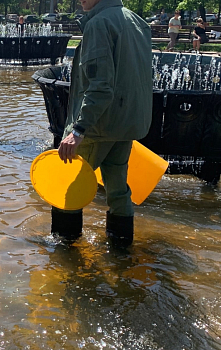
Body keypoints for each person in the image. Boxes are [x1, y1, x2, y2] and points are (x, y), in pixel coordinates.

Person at [53, 0, 152, 246]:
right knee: (118, 191)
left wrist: (78, 130)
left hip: (97, 126)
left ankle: (65, 255)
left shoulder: (99, 24)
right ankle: (120, 250)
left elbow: (100, 86)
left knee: (68, 188)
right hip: (125, 124)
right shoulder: (136, 21)